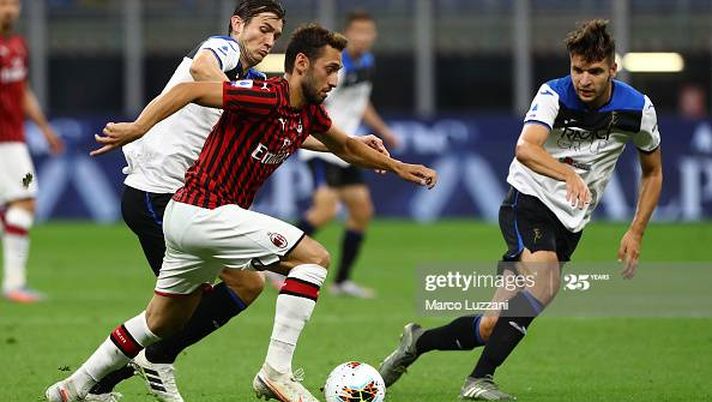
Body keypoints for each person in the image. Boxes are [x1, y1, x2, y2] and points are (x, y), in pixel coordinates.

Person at [45, 23, 437, 402]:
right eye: (330, 69)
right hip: (205, 211)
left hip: (187, 219)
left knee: (160, 322)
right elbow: (190, 89)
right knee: (314, 259)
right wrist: (138, 127)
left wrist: (400, 167)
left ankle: (72, 388)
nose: (336, 79)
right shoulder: (263, 93)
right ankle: (276, 373)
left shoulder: (309, 113)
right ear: (302, 63)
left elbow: (345, 147)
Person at [378, 19, 663, 400]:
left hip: (571, 220)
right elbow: (526, 148)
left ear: (613, 68)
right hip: (527, 200)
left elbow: (653, 171)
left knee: (493, 324)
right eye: (578, 69)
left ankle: (417, 343)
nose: (584, 79)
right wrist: (567, 174)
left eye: (595, 71)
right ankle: (479, 381)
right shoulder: (553, 95)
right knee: (545, 280)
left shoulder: (637, 109)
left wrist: (636, 230)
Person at [294, 10, 399, 298]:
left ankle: (341, 282)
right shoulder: (332, 64)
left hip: (348, 146)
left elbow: (360, 102)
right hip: (323, 143)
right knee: (325, 210)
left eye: (368, 32)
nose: (363, 37)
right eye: (358, 32)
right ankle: (273, 262)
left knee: (362, 211)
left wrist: (382, 129)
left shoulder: (367, 61)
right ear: (348, 33)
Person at [0, 0, 64, 303]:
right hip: (5, 144)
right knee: (24, 200)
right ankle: (14, 283)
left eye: (14, 3)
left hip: (15, 141)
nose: (10, 9)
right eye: (3, 4)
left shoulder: (18, 46)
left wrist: (45, 129)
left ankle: (14, 282)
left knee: (22, 199)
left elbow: (22, 91)